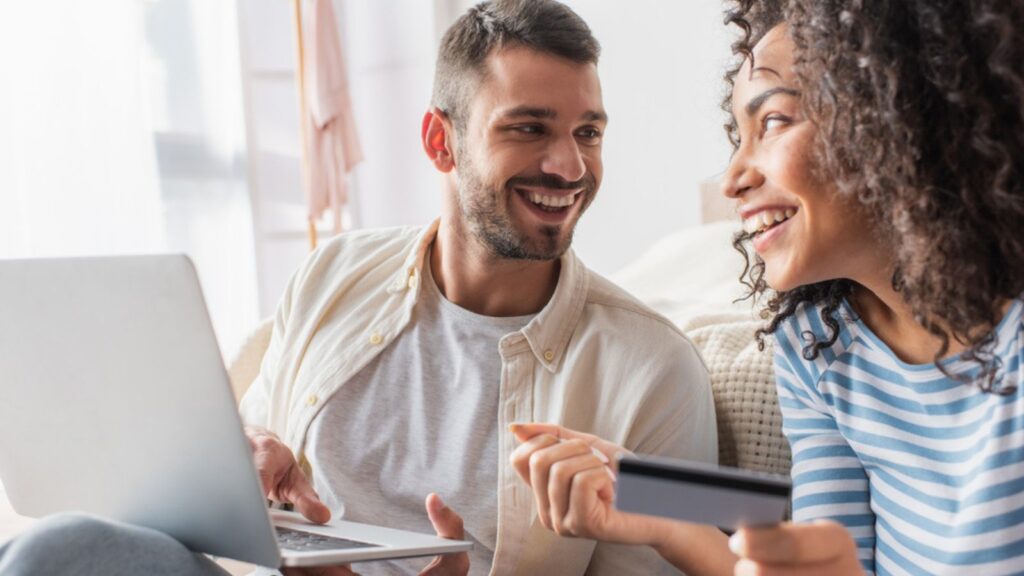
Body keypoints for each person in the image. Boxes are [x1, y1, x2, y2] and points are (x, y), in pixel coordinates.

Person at [0, 1, 716, 575]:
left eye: (588, 133)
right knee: (53, 549)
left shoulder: (653, 371)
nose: (569, 167)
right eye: (529, 129)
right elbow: (243, 454)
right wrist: (255, 462)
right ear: (441, 143)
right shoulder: (334, 274)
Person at [510, 0, 1024, 574]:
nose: (732, 179)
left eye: (773, 122)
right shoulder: (819, 346)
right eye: (740, 134)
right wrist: (647, 497)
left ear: (898, 113)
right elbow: (818, 560)